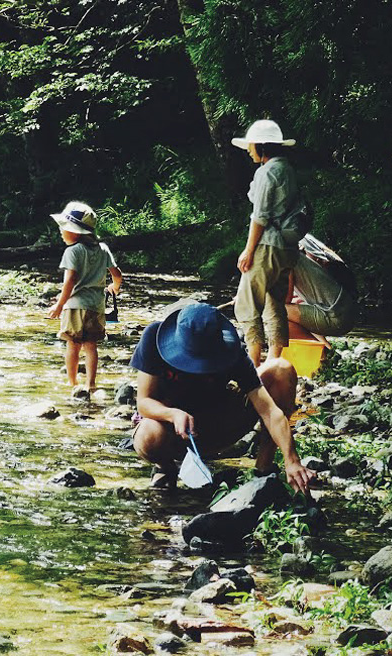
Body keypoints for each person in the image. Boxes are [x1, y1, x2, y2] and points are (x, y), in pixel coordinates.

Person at [129, 301, 315, 493]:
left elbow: (268, 411)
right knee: (149, 434)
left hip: (218, 425)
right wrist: (172, 414)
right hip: (174, 432)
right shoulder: (154, 338)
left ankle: (264, 468)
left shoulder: (231, 351)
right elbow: (143, 402)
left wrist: (291, 460)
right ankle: (166, 468)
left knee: (280, 369)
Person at [232, 119, 305, 366]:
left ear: (262, 147)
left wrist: (248, 250)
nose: (249, 149)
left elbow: (260, 216)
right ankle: (274, 362)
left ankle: (252, 363)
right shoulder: (288, 170)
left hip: (267, 246)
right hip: (287, 248)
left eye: (252, 145)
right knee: (275, 304)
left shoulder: (267, 172)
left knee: (247, 303)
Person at [47, 201, 124, 398]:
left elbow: (70, 282)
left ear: (77, 232)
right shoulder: (103, 249)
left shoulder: (72, 252)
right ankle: (91, 384)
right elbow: (117, 274)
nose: (61, 232)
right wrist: (114, 287)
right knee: (91, 346)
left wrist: (59, 304)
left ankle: (72, 383)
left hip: (75, 306)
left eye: (64, 228)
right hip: (96, 307)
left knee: (72, 345)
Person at [287, 234, 359, 338]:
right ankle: (323, 347)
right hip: (344, 303)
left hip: (335, 309)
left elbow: (284, 299)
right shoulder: (305, 239)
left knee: (275, 311)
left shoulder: (291, 246)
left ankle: (318, 350)